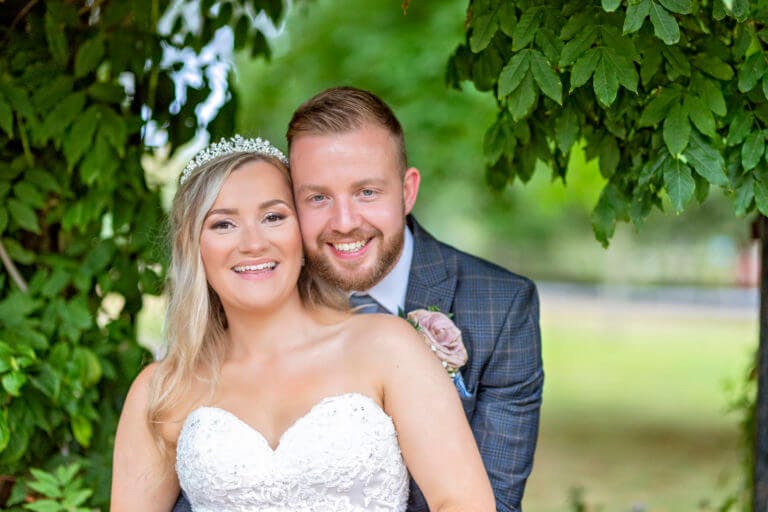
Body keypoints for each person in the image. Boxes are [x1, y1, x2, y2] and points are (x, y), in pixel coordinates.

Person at [110, 136, 495, 511]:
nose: (253, 243)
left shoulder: (385, 347)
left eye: (273, 217)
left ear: (303, 231)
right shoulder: (162, 389)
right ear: (190, 245)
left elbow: (463, 502)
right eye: (223, 224)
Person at [285, 87, 543, 512]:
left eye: (367, 192)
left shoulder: (500, 309)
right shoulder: (260, 299)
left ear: (407, 191)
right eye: (318, 197)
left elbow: (494, 504)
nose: (345, 222)